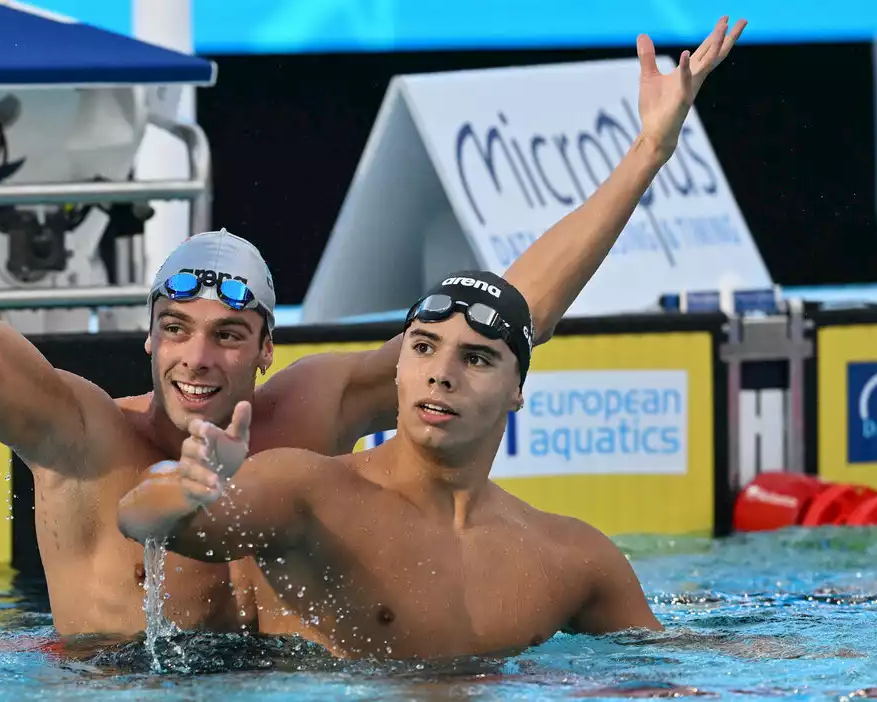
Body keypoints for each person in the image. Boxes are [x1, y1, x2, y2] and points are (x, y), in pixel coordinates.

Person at [0, 0, 744, 638]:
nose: (199, 358)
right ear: (149, 337)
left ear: (267, 347)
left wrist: (645, 154)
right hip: (112, 682)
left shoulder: (309, 412)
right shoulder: (79, 434)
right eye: (178, 329)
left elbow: (506, 316)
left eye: (229, 336)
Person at [117, 270, 662, 660]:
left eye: (476, 358)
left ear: (516, 390)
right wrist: (183, 489)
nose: (441, 374)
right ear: (398, 368)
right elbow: (150, 522)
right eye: (423, 348)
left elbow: (676, 669)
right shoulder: (308, 491)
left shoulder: (570, 558)